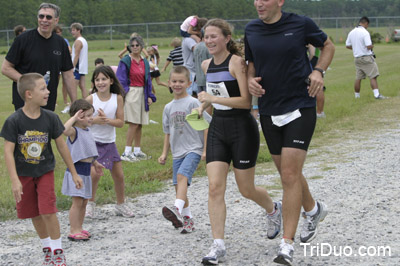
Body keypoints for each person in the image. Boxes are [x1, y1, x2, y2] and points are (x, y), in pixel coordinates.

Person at [245, 1, 335, 265]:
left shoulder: (300, 23)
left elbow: (328, 46)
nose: (259, 3)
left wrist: (319, 71)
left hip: (301, 104)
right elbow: (251, 64)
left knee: (289, 174)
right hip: (269, 110)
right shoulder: (251, 29)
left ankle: (287, 244)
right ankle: (314, 210)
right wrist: (250, 80)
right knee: (287, 172)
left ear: (280, 1)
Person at [197, 19, 281, 265]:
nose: (210, 41)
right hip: (217, 128)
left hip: (242, 128)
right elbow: (215, 97)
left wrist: (211, 97)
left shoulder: (237, 63)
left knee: (246, 189)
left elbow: (246, 102)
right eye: (206, 37)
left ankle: (273, 209)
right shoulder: (205, 65)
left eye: (214, 36)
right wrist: (203, 105)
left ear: (226, 38)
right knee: (214, 187)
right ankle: (218, 244)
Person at [0, 73, 82, 265]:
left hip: (45, 171)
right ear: (29, 94)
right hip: (23, 174)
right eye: (43, 88)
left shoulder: (51, 118)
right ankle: (47, 247)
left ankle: (58, 252)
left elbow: (62, 146)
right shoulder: (14, 121)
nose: (48, 91)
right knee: (34, 213)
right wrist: (14, 180)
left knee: (48, 210)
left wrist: (74, 172)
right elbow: (8, 152)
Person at [1, 2, 76, 112]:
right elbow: (6, 68)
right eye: (41, 16)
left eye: (48, 17)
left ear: (56, 20)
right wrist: (29, 83)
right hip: (25, 101)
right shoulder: (22, 40)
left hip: (48, 101)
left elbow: (68, 75)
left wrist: (75, 102)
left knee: (46, 129)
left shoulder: (61, 43)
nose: (44, 20)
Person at [159, 66, 207, 234]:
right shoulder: (168, 107)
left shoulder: (193, 103)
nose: (177, 84)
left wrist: (205, 150)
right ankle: (187, 220)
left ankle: (176, 209)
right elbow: (167, 132)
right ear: (169, 83)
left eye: (181, 81)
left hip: (193, 148)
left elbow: (206, 125)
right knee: (179, 186)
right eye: (174, 81)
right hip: (177, 152)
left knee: (182, 177)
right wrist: (164, 153)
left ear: (189, 83)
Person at [85, 65, 135, 218]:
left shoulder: (117, 98)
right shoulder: (90, 99)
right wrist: (95, 120)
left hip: (109, 142)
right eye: (97, 79)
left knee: (119, 175)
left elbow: (120, 122)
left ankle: (120, 204)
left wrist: (106, 120)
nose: (100, 82)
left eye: (104, 79)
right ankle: (90, 204)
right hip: (93, 143)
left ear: (111, 81)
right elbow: (81, 120)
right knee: (94, 174)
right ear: (93, 83)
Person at [62, 99, 104, 241]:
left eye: (90, 115)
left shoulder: (87, 131)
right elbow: (64, 130)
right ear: (77, 117)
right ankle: (73, 230)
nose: (89, 118)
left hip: (86, 170)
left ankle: (79, 227)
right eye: (85, 116)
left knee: (85, 201)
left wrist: (96, 163)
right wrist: (73, 118)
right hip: (76, 171)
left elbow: (87, 151)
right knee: (77, 202)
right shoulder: (75, 131)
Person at [117, 35, 156, 162]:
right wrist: (123, 94)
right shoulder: (126, 61)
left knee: (140, 123)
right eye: (132, 45)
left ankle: (137, 151)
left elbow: (148, 79)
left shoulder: (144, 61)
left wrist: (150, 95)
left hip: (142, 92)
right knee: (133, 123)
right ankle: (126, 152)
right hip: (132, 91)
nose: (134, 47)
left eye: (137, 45)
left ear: (141, 47)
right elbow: (121, 79)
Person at [345, 16, 385, 99]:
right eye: (367, 25)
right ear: (366, 23)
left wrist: (356, 48)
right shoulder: (365, 32)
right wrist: (372, 45)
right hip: (366, 58)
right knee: (373, 76)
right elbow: (368, 46)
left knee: (358, 78)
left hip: (357, 58)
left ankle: (357, 96)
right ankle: (377, 95)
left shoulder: (351, 32)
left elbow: (347, 45)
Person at [54, 25, 73, 114]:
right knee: (54, 83)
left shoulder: (64, 41)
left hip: (63, 64)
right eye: (57, 32)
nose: (59, 33)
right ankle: (54, 101)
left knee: (65, 83)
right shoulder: (53, 41)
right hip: (55, 65)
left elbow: (69, 50)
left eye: (60, 32)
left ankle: (65, 100)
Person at [71, 22, 89, 99]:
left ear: (79, 30)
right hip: (82, 67)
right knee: (82, 86)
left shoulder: (78, 41)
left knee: (73, 87)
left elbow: (76, 55)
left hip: (78, 67)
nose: (72, 32)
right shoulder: (84, 40)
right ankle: (86, 102)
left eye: (73, 30)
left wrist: (72, 67)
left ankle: (73, 104)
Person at [308, 44, 326, 118]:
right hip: (318, 60)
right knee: (318, 86)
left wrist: (306, 62)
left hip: (313, 61)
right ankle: (320, 112)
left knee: (317, 87)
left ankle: (319, 112)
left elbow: (312, 53)